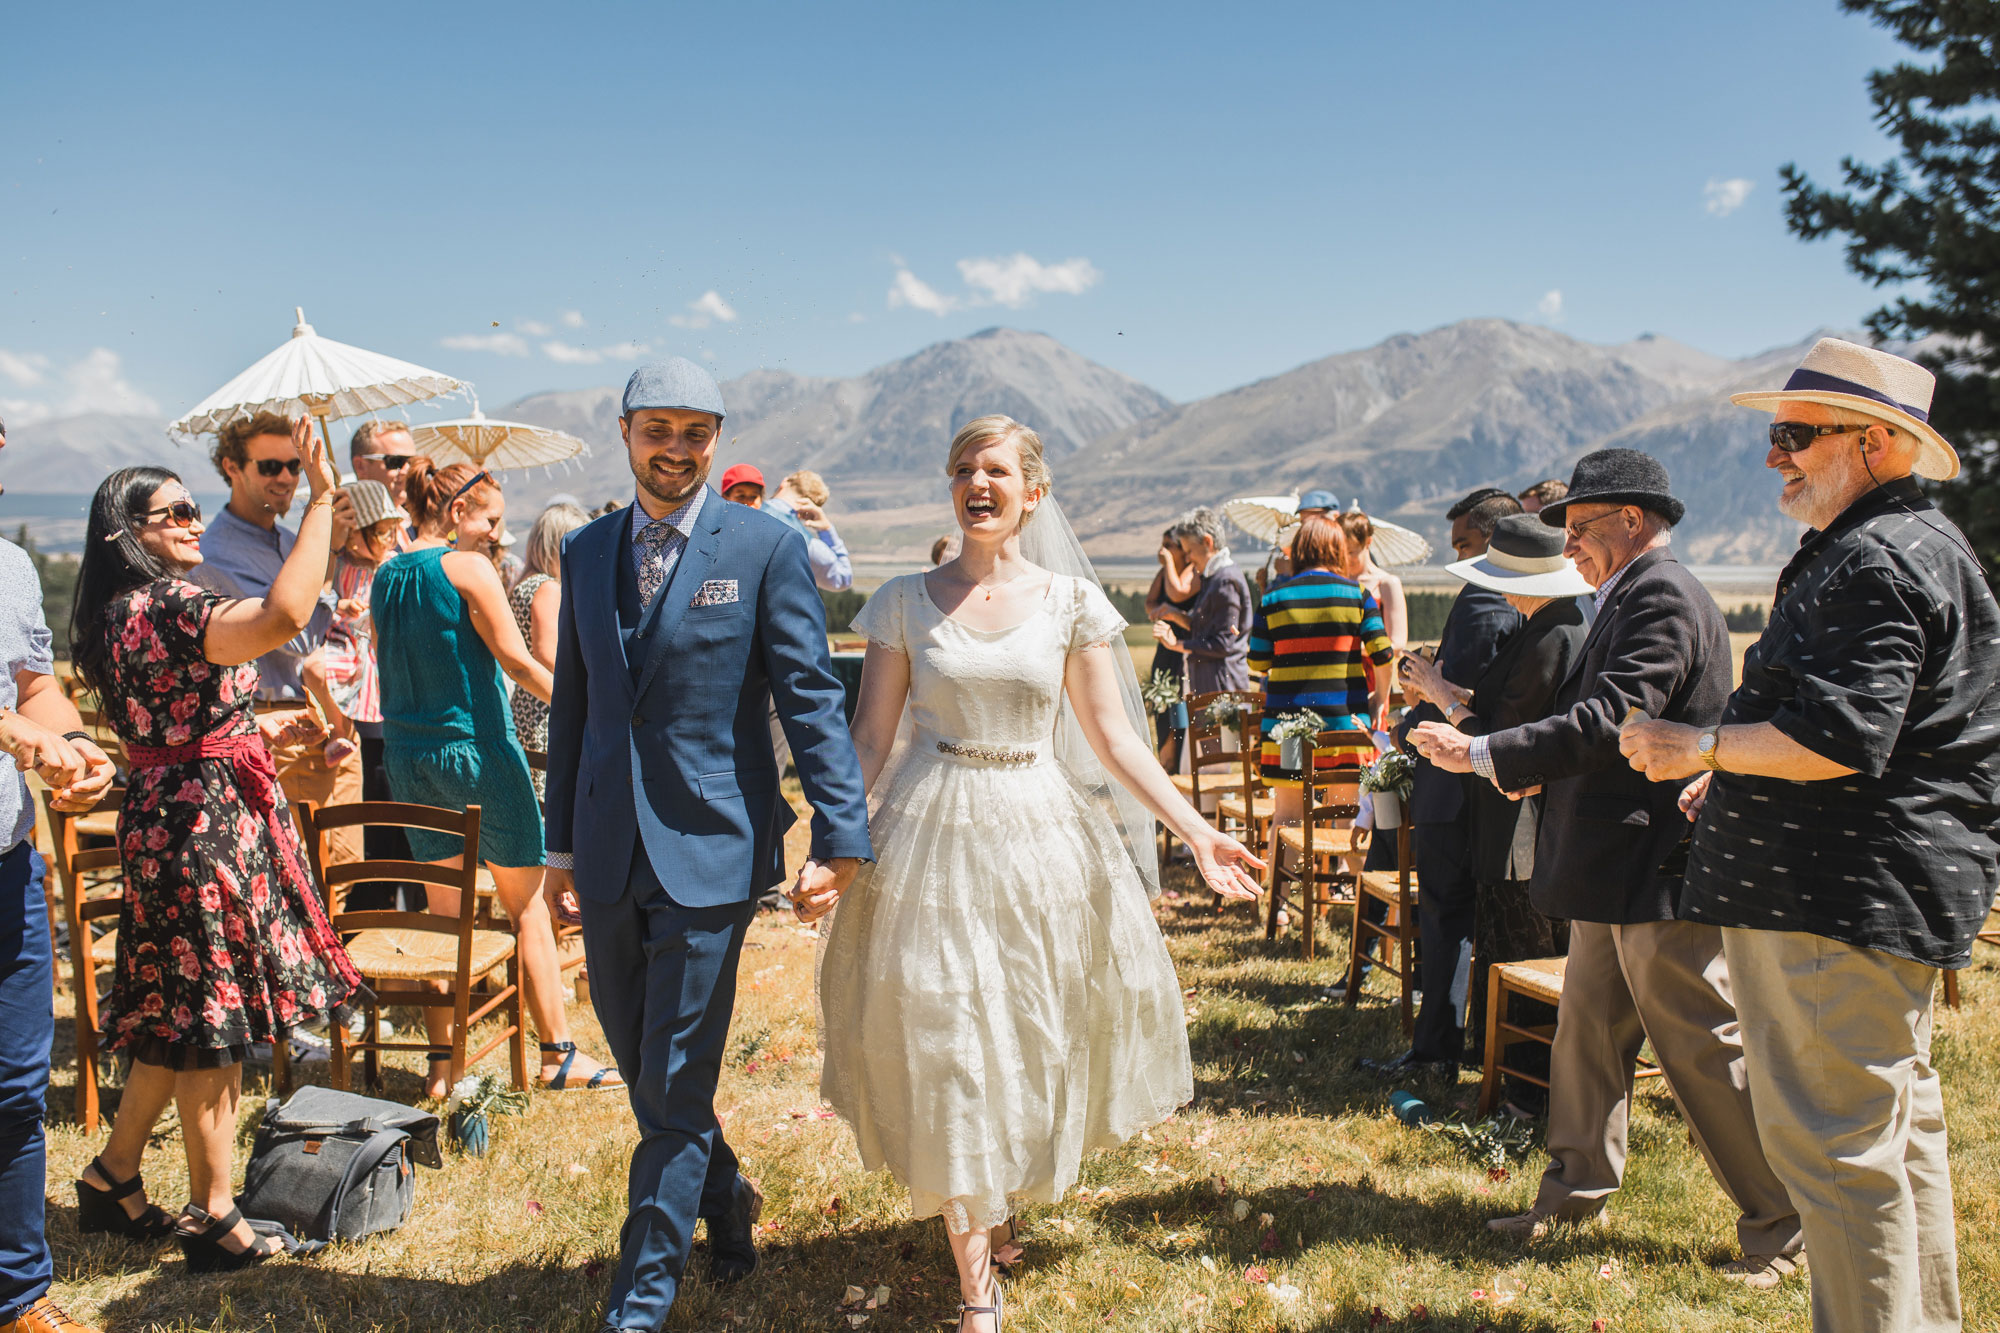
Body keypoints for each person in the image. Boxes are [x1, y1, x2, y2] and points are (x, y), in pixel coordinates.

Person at [817, 415, 1265, 1333]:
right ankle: (977, 1289)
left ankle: (996, 1192)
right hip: (929, 833)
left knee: (1022, 1022)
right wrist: (833, 841)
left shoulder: (1070, 603)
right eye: (961, 470)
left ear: (1033, 488)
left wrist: (1200, 831)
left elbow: (1113, 739)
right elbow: (869, 738)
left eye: (995, 470)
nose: (977, 484)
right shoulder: (903, 600)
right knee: (946, 1031)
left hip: (1038, 832)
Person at [1622, 339, 1999, 1332]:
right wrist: (1733, 773)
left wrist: (1691, 744)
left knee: (1833, 1153)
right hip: (1859, 894)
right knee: (1886, 1139)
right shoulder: (1914, 543)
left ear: (1874, 443)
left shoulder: (1870, 559)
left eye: (1794, 436)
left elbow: (1835, 738)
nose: (1770, 457)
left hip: (1828, 899)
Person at [1410, 449, 1803, 1285]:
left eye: (1580, 529)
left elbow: (1606, 721)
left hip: (1651, 868)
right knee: (1585, 1040)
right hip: (1609, 870)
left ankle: (1782, 1225)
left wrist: (1480, 749)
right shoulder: (1630, 593)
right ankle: (1570, 1193)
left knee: (1701, 1050)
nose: (1570, 548)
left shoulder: (1660, 594)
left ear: (1634, 519)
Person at [541, 357, 874, 1331]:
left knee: (676, 1079)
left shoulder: (766, 547)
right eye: (659, 429)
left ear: (715, 441)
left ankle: (638, 1302)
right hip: (604, 848)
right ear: (625, 432)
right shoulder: (585, 549)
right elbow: (575, 707)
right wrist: (560, 849)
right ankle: (724, 1195)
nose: (676, 447)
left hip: (712, 847)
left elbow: (810, 694)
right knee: (649, 1074)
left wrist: (836, 830)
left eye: (695, 431)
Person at [68, 438, 370, 1275]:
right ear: (126, 535)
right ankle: (215, 1213)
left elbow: (178, 728)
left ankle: (112, 1176)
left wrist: (263, 730)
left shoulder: (117, 616)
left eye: (193, 507)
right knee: (210, 1020)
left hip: (171, 815)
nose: (194, 520)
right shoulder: (169, 604)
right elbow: (280, 617)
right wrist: (319, 502)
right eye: (174, 514)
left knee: (177, 1011)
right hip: (199, 834)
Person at [371, 460, 619, 1101]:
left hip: (409, 759)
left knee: (440, 920)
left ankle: (443, 1066)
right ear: (456, 512)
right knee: (529, 908)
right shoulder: (468, 568)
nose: (497, 535)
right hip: (479, 752)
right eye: (490, 520)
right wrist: (589, 711)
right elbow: (517, 659)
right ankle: (558, 1055)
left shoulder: (385, 575)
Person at [1397, 514, 1590, 1115]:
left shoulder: (1552, 633)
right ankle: (1514, 1088)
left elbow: (1510, 734)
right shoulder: (1553, 623)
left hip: (1525, 823)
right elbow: (1511, 706)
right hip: (1526, 818)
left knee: (1523, 955)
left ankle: (1523, 1099)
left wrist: (1443, 697)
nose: (1500, 593)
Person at [0, 422, 118, 1333]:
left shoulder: (8, 567)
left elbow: (34, 685)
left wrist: (70, 742)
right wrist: (21, 735)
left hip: (7, 858)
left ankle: (18, 1293)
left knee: (14, 1083)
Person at [1354, 489, 1520, 1052]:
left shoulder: (1484, 600)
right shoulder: (1517, 599)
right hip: (1488, 784)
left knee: (1446, 918)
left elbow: (1451, 689)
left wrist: (1405, 726)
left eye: (1466, 544)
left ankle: (1434, 1050)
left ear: (1493, 539)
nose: (1460, 557)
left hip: (1453, 786)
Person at [189, 410, 363, 859]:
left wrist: (331, 547)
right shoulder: (218, 554)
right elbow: (297, 639)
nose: (286, 478)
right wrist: (322, 570)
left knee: (344, 877)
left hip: (327, 726)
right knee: (315, 884)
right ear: (232, 467)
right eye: (270, 466)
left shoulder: (287, 540)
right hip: (280, 732)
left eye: (294, 466)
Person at [1247, 513, 1392, 879]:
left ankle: (1280, 903)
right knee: (1345, 815)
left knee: (1289, 814)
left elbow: (1257, 661)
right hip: (1344, 728)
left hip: (1289, 730)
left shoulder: (1274, 597)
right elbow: (1384, 654)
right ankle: (1351, 893)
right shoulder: (1357, 595)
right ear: (1338, 550)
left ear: (1299, 551)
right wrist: (1379, 699)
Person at [321, 479, 410, 911]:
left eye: (393, 530)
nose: (389, 539)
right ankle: (365, 910)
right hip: (352, 701)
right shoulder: (332, 569)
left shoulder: (396, 565)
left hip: (388, 699)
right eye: (380, 531)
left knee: (392, 818)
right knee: (369, 818)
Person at [510, 500, 591, 796]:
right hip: (544, 706)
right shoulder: (548, 587)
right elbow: (546, 653)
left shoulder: (524, 583)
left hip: (526, 703)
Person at [1151, 507, 1250, 694]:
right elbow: (1209, 628)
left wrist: (1175, 644)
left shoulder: (1225, 580)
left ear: (1207, 542)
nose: (1187, 558)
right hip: (1212, 685)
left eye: (1189, 550)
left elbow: (1224, 643)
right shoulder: (1214, 578)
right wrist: (1177, 616)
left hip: (1224, 687)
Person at [1142, 523, 1203, 769]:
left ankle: (1180, 765)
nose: (1163, 550)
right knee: (1163, 709)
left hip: (1184, 650)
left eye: (1169, 546)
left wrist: (1168, 563)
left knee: (1181, 709)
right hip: (1165, 651)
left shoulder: (1192, 571)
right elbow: (1150, 604)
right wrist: (1160, 612)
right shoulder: (1163, 574)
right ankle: (1167, 764)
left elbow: (1179, 593)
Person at [765, 470, 854, 593]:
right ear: (809, 511)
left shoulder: (748, 510)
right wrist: (826, 529)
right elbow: (842, 578)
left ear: (784, 483)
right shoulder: (804, 541)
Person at [1336, 509, 1408, 649]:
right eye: (1339, 552)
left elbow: (1398, 643)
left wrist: (1350, 647)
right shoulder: (1335, 580)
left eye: (1351, 552)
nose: (1345, 558)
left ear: (1368, 542)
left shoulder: (1387, 583)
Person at [349, 418, 416, 521]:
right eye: (396, 461)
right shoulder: (348, 528)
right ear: (360, 466)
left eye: (412, 462)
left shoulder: (416, 523)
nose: (406, 470)